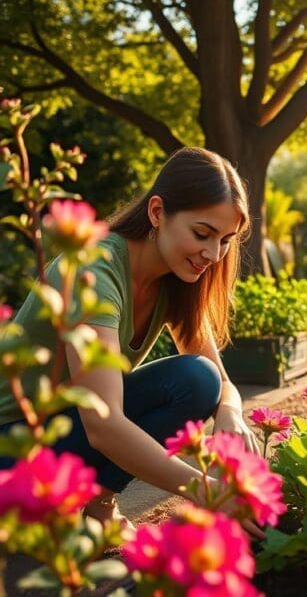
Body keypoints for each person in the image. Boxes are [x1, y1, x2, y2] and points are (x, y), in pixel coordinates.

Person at [0, 147, 260, 536]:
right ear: (157, 212)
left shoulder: (178, 281)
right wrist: (206, 491)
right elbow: (102, 426)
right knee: (185, 383)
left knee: (198, 380)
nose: (213, 254)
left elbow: (220, 382)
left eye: (225, 240)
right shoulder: (95, 269)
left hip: (62, 436)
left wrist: (230, 412)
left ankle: (97, 509)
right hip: (13, 443)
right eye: (202, 234)